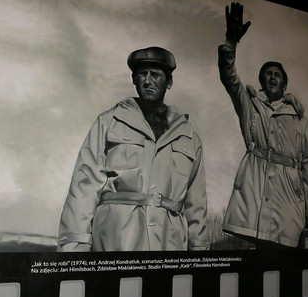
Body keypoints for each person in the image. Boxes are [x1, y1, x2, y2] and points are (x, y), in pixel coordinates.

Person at [57, 47, 210, 252]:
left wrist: (200, 254)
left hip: (170, 244)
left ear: (169, 82)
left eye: (155, 74)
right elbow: (84, 186)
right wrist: (74, 250)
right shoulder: (109, 122)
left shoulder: (189, 137)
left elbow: (196, 202)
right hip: (114, 242)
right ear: (133, 79)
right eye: (141, 74)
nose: (148, 81)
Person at [217, 2, 308, 248]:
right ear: (262, 81)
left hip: (288, 195)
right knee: (256, 253)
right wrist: (231, 41)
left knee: (283, 254)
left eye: (278, 74)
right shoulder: (249, 104)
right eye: (268, 73)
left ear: (284, 85)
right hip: (254, 187)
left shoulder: (300, 119)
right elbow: (229, 77)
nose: (272, 76)